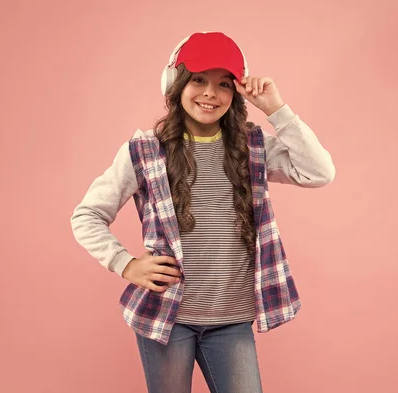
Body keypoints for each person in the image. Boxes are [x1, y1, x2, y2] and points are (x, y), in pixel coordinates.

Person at [70, 31, 335, 393]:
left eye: (224, 84)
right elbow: (86, 216)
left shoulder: (253, 146)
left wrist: (276, 109)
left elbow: (319, 172)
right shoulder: (145, 151)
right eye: (198, 80)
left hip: (232, 320)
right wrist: (126, 264)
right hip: (167, 316)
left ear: (236, 93)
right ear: (175, 83)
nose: (210, 93)